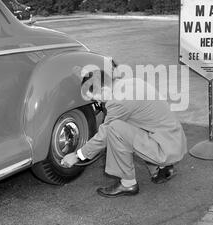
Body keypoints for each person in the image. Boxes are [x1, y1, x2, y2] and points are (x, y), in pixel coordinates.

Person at [61, 68, 187, 198]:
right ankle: (164, 168)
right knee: (129, 121)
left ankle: (128, 183)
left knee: (114, 129)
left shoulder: (118, 101)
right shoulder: (132, 82)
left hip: (165, 150)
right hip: (173, 139)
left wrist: (77, 155)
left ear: (104, 90)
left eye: (95, 98)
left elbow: (104, 134)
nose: (98, 102)